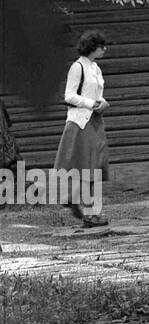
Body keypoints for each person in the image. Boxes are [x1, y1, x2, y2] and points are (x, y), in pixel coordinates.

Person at [53, 30, 110, 226]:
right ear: (92, 47)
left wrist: (102, 102)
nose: (104, 49)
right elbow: (69, 95)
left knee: (95, 166)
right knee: (86, 167)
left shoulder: (96, 68)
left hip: (94, 121)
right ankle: (89, 213)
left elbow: (97, 94)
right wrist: (90, 103)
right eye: (101, 46)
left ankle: (76, 201)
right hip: (80, 122)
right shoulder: (78, 67)